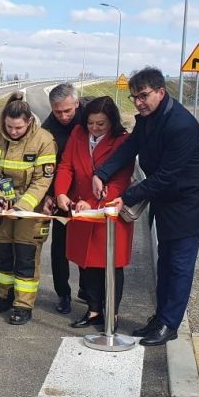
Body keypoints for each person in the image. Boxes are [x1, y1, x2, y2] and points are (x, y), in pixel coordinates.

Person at [93, 67, 199, 346]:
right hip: (166, 199)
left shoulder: (181, 125)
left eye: (144, 95)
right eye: (134, 97)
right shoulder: (148, 119)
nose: (138, 102)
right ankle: (160, 317)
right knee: (165, 262)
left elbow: (166, 175)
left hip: (189, 202)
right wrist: (102, 173)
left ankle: (169, 324)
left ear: (161, 92)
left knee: (179, 265)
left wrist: (128, 196)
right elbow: (128, 149)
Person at [0, 92, 57, 325]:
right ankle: (5, 296)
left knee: (25, 259)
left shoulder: (44, 141)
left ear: (29, 122)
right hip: (3, 207)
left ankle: (23, 305)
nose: (12, 132)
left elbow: (43, 180)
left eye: (18, 128)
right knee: (3, 257)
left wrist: (23, 206)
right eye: (9, 126)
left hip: (29, 212)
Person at [54, 96, 133, 328]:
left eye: (101, 124)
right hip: (79, 208)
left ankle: (112, 314)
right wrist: (61, 193)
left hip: (108, 212)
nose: (95, 128)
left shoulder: (122, 141)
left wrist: (91, 201)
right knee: (86, 264)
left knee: (110, 265)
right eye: (91, 123)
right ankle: (94, 309)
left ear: (112, 122)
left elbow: (120, 180)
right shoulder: (78, 135)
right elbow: (66, 165)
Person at [41, 83, 87, 314]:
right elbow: (46, 167)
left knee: (88, 243)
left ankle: (88, 289)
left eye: (68, 111)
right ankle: (63, 294)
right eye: (58, 111)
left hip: (88, 192)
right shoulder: (47, 129)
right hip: (61, 194)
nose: (63, 116)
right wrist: (50, 195)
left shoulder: (91, 116)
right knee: (60, 247)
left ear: (77, 103)